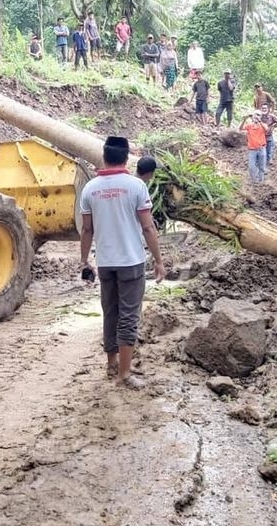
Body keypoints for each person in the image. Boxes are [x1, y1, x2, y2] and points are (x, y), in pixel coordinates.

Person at [79, 136, 165, 388]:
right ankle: (124, 374)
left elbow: (86, 229)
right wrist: (159, 260)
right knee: (129, 315)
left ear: (104, 157)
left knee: (111, 312)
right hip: (131, 261)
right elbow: (148, 227)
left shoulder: (90, 188)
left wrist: (84, 260)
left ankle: (112, 364)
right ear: (126, 159)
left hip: (105, 262)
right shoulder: (136, 187)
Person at [239, 111, 271, 183]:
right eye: (255, 115)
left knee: (262, 166)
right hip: (252, 150)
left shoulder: (263, 125)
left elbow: (267, 130)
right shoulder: (249, 125)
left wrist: (260, 121)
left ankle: (261, 180)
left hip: (261, 149)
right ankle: (254, 180)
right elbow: (240, 128)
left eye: (258, 115)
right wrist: (244, 119)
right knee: (251, 166)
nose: (257, 116)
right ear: (253, 116)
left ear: (261, 117)